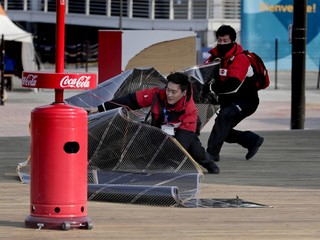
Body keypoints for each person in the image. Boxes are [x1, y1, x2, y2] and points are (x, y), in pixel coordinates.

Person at [86, 72, 220, 174]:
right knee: (134, 138)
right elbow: (130, 100)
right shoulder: (157, 94)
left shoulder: (190, 111)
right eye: (168, 90)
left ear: (184, 93)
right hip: (159, 131)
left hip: (181, 134)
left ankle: (210, 163)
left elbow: (179, 148)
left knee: (194, 151)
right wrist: (99, 108)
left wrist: (160, 163)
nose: (169, 95)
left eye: (174, 92)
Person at [203, 25, 264, 162]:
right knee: (223, 130)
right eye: (220, 40)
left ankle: (211, 155)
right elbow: (203, 73)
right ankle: (252, 140)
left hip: (247, 101)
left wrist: (212, 88)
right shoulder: (215, 57)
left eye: (225, 41)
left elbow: (233, 86)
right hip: (229, 101)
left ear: (232, 41)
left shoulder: (241, 59)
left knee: (224, 118)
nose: (222, 43)